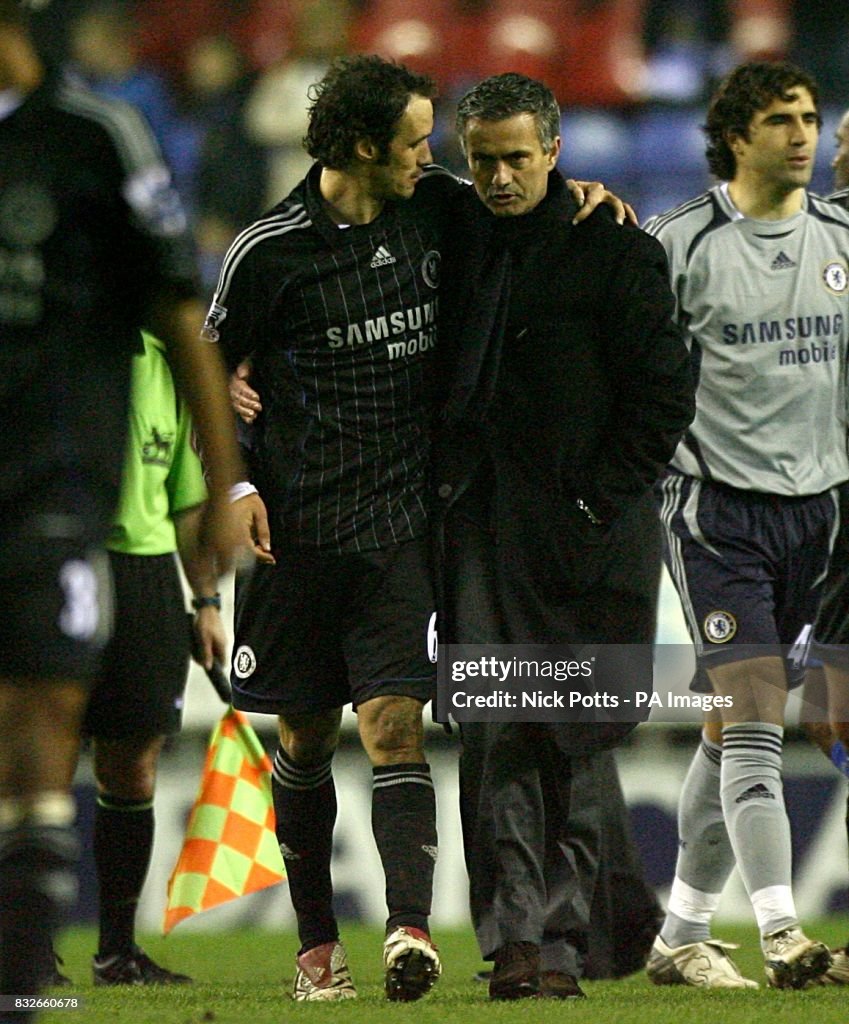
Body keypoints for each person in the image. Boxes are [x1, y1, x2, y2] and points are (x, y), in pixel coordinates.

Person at [214, 53, 630, 1003]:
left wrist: (585, 198)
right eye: (412, 141)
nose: (429, 155)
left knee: (395, 727)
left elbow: (527, 206)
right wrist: (237, 488)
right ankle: (318, 948)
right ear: (363, 147)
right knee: (306, 738)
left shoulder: (437, 206)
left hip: (399, 529)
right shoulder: (267, 250)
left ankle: (407, 931)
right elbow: (206, 371)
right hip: (296, 536)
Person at [0, 4, 241, 1017]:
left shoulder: (91, 138)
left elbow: (183, 312)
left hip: (78, 498)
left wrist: (223, 488)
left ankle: (53, 958)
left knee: (80, 726)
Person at [433, 72, 694, 1000]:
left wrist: (594, 502)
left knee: (569, 739)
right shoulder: (451, 229)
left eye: (516, 158)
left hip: (586, 542)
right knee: (497, 731)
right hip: (480, 532)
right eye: (482, 161)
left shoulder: (615, 252)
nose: (500, 178)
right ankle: (514, 944)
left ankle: (560, 943)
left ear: (554, 152)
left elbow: (663, 395)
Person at [642, 61, 849, 991]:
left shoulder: (842, 235)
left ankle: (677, 935)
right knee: (755, 713)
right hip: (716, 511)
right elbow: (629, 375)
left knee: (730, 732)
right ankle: (781, 936)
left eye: (809, 117)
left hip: (826, 511)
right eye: (778, 120)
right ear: (734, 136)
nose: (801, 134)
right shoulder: (677, 244)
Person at [74, 330, 225, 986]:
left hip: (146, 576)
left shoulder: (164, 364)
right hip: (63, 556)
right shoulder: (56, 343)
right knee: (36, 759)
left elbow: (187, 503)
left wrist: (208, 602)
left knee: (132, 764)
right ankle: (21, 949)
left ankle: (116, 952)